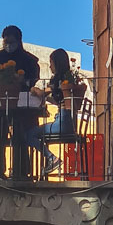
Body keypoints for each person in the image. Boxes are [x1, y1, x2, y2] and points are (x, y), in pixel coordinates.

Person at [0, 26, 40, 178]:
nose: (8, 45)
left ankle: (21, 170)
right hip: (3, 103)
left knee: (21, 134)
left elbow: (33, 79)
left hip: (23, 104)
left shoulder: (29, 60)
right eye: (5, 41)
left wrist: (23, 80)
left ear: (18, 41)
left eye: (11, 41)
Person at [25, 48, 76, 176]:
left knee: (29, 134)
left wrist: (35, 90)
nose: (50, 66)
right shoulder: (68, 79)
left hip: (62, 124)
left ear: (57, 63)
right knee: (36, 133)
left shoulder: (60, 81)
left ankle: (51, 158)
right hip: (69, 122)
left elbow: (43, 92)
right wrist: (46, 98)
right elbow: (57, 99)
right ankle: (49, 161)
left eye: (51, 62)